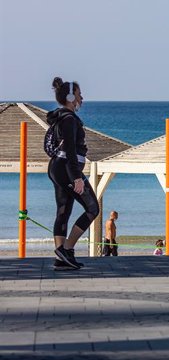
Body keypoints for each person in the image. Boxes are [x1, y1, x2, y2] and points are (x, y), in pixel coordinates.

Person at [48, 77, 99, 270]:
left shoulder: (61, 116)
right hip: (67, 168)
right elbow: (70, 150)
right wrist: (76, 176)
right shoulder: (69, 119)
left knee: (63, 210)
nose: (81, 98)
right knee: (92, 208)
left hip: (58, 168)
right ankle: (66, 249)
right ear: (70, 97)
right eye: (78, 94)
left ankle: (62, 259)